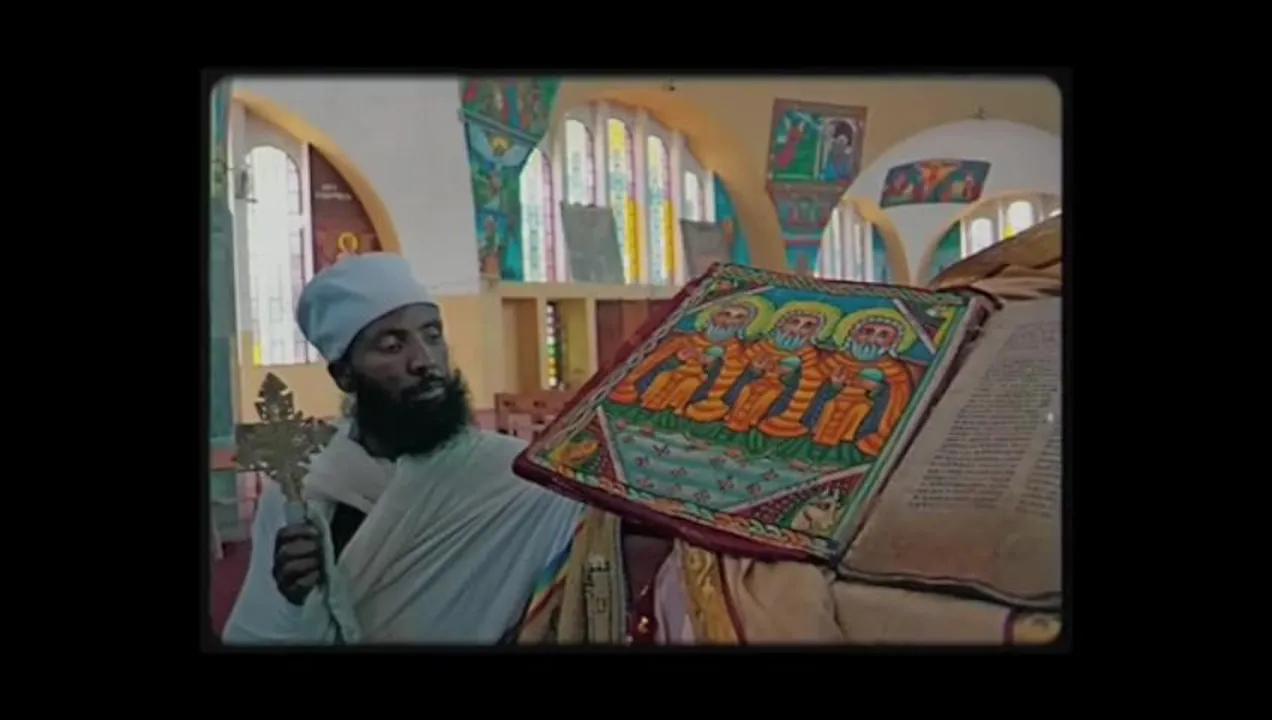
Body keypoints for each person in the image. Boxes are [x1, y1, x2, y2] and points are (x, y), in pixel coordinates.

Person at [222, 253, 585, 643]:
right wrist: (295, 603)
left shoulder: (517, 476)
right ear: (345, 376)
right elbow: (257, 633)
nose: (425, 361)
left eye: (433, 335)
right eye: (392, 346)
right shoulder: (300, 489)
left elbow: (598, 535)